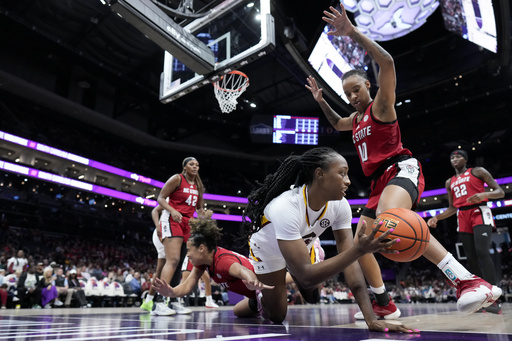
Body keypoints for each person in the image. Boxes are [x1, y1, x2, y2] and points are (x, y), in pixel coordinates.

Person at [305, 5, 502, 319]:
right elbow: (338, 121)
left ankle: (469, 281)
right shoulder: (354, 120)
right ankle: (384, 302)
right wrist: (321, 102)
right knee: (363, 241)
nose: (353, 97)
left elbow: (387, 61)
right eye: (348, 94)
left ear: (368, 86)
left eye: (356, 90)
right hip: (378, 182)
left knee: (390, 217)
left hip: (400, 168)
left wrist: (352, 32)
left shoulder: (381, 105)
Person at [243, 146, 415, 333]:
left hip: (300, 244)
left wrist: (371, 320)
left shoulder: (341, 206)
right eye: (342, 174)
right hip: (269, 250)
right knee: (277, 315)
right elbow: (307, 277)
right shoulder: (285, 206)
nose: (348, 181)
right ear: (320, 174)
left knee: (313, 297)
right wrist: (359, 250)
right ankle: (256, 300)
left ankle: (306, 253)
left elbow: (351, 264)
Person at [427, 150, 505, 313]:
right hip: (462, 215)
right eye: (452, 157)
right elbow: (452, 208)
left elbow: (500, 192)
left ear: (466, 159)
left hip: (479, 211)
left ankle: (493, 297)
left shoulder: (478, 171)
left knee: (482, 252)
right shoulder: (450, 182)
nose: (455, 159)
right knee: (471, 257)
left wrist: (483, 194)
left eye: (458, 156)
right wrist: (437, 218)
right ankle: (479, 296)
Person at [153, 218, 274, 318]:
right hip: (253, 295)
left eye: (189, 250)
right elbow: (187, 285)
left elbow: (243, 270)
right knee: (238, 311)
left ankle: (265, 300)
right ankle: (258, 302)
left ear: (201, 248)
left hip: (264, 287)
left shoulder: (222, 261)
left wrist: (252, 280)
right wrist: (171, 292)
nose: (188, 254)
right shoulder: (203, 263)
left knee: (275, 316)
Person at [153, 157, 213, 315]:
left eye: (197, 165)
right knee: (172, 260)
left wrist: (205, 215)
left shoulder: (198, 185)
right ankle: (159, 302)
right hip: (172, 219)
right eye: (192, 164)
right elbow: (160, 198)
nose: (195, 167)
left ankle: (172, 301)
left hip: (188, 223)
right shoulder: (177, 179)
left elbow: (199, 210)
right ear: (184, 167)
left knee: (179, 263)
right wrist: (172, 210)